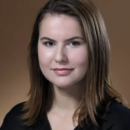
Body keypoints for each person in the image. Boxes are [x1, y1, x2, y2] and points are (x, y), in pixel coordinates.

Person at [1, 0, 130, 130]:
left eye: (73, 43)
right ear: (36, 49)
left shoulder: (121, 122)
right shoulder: (15, 120)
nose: (59, 57)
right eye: (49, 43)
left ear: (95, 49)